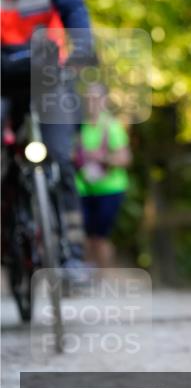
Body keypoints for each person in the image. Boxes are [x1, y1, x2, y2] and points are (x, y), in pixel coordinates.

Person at [1, 0, 95, 272]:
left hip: (47, 68)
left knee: (60, 156)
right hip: (2, 75)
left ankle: (72, 254)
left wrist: (84, 48)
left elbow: (74, 8)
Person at [74, 82, 131, 270]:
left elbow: (125, 158)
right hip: (84, 188)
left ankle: (103, 277)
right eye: (88, 98)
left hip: (110, 188)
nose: (91, 102)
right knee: (86, 236)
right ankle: (88, 276)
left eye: (95, 98)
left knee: (100, 236)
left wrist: (103, 158)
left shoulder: (112, 126)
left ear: (104, 100)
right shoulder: (80, 127)